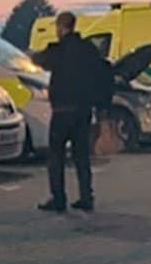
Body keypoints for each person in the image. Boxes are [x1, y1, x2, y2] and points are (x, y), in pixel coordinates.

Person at [32, 11, 115, 213]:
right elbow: (101, 75)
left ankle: (58, 198)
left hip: (62, 111)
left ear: (61, 27)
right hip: (83, 111)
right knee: (81, 156)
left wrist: (32, 55)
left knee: (56, 156)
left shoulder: (57, 50)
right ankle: (86, 197)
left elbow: (41, 60)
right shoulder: (88, 49)